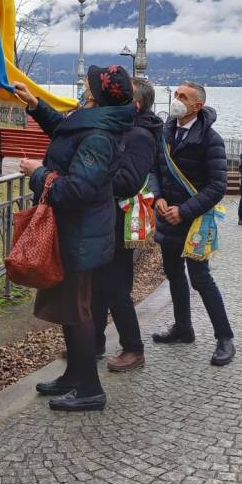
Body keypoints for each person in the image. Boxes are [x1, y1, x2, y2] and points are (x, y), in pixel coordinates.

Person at [13, 65, 135, 412]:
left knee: (77, 310)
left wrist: (39, 174)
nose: (84, 83)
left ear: (97, 93)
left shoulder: (99, 135)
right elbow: (69, 137)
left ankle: (90, 389)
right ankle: (74, 376)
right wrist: (37, 105)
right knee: (70, 308)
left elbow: (78, 189)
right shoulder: (93, 121)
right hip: (75, 230)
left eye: (89, 83)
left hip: (80, 233)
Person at [151, 81, 235, 366]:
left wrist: (184, 211)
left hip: (194, 221)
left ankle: (225, 338)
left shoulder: (211, 139)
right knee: (174, 275)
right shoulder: (166, 131)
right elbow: (155, 169)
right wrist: (158, 197)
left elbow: (217, 186)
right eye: (176, 94)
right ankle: (183, 328)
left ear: (197, 106)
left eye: (183, 97)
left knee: (201, 279)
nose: (176, 99)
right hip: (167, 218)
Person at [92, 77, 162, 373]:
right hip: (107, 218)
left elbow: (129, 181)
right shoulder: (126, 130)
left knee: (116, 287)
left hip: (120, 222)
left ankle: (134, 348)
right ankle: (93, 342)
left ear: (134, 104)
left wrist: (91, 177)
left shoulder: (139, 136)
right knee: (97, 285)